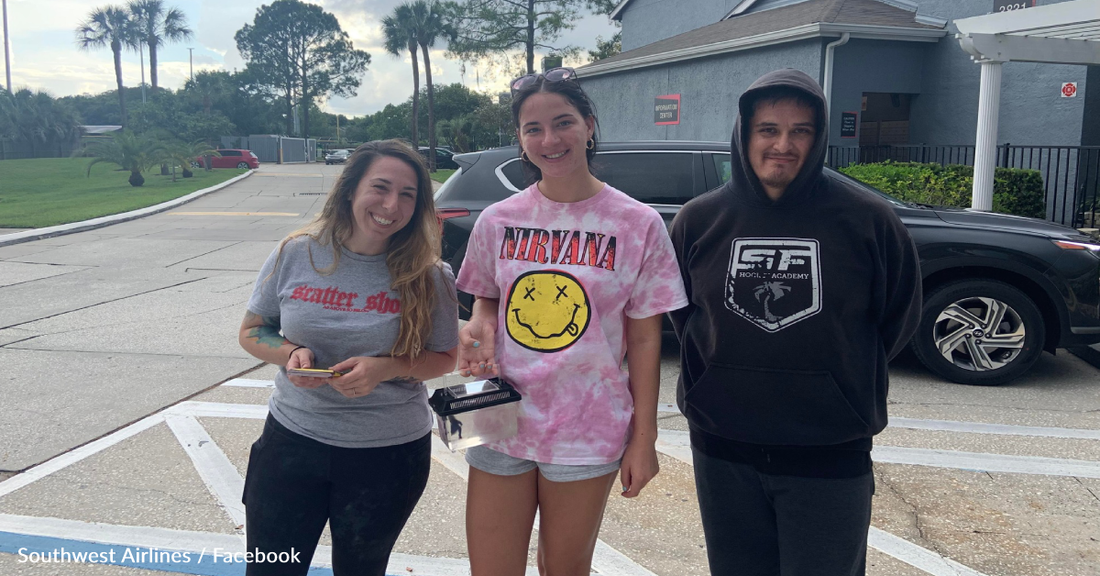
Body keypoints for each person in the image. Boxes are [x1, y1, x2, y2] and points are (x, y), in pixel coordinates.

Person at [669, 69, 922, 576]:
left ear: (819, 136)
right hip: (723, 447)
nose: (782, 144)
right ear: (745, 133)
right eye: (768, 129)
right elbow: (684, 316)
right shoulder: (699, 221)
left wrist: (831, 381)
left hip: (829, 450)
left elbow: (898, 316)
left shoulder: (869, 221)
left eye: (800, 131)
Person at [455, 67, 688, 575]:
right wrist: (480, 325)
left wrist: (643, 439)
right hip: (496, 411)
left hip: (588, 421)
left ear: (588, 124)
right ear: (519, 138)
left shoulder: (637, 223)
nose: (549, 139)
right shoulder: (498, 220)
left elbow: (647, 340)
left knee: (564, 568)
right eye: (532, 129)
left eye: (563, 123)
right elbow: (486, 300)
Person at [237, 140, 459, 576]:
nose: (391, 204)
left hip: (388, 455)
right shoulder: (296, 252)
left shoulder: (430, 275)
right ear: (351, 189)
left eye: (408, 194)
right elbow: (252, 330)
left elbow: (444, 357)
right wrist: (290, 353)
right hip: (292, 441)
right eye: (380, 187)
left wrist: (388, 367)